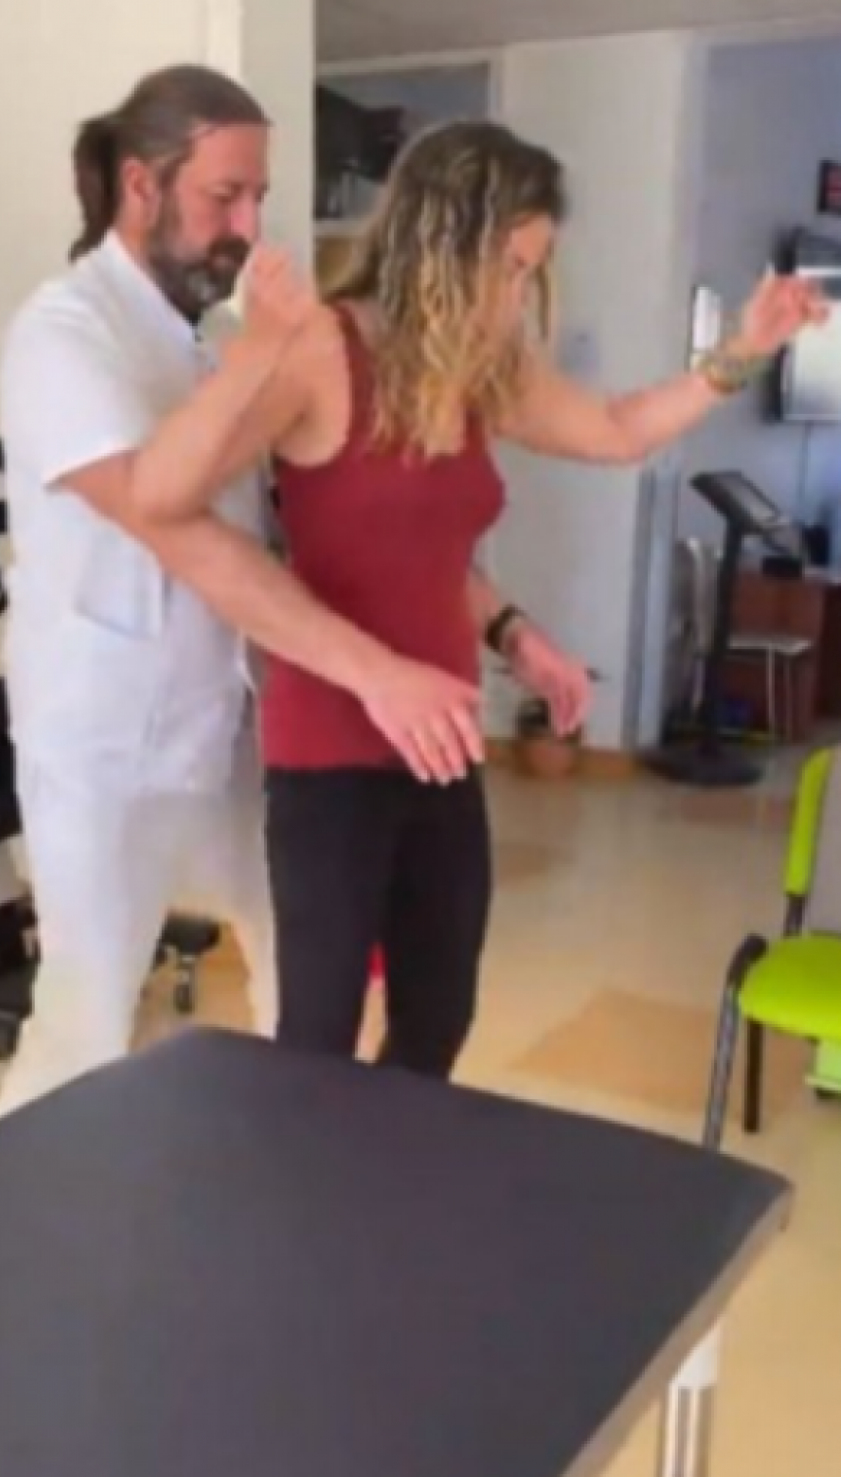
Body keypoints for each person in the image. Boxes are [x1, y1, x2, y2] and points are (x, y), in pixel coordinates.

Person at [95, 117, 827, 1083]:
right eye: (511, 267)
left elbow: (613, 431)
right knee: (317, 1038)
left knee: (439, 1015)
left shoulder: (478, 370)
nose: (520, 294)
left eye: (532, 271)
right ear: (448, 243)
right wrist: (259, 349)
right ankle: (304, 1181)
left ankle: (385, 1170)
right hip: (331, 751)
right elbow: (158, 497)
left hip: (442, 740)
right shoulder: (324, 348)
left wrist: (744, 348)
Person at [0, 67, 490, 1117]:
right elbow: (174, 529)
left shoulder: (213, 343)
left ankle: (293, 1183)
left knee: (305, 992)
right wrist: (377, 673)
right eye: (226, 196)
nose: (251, 227)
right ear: (142, 185)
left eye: (259, 196)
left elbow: (302, 529)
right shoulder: (63, 334)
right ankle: (16, 1207)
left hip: (235, 719)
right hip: (105, 741)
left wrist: (499, 625)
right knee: (84, 1020)